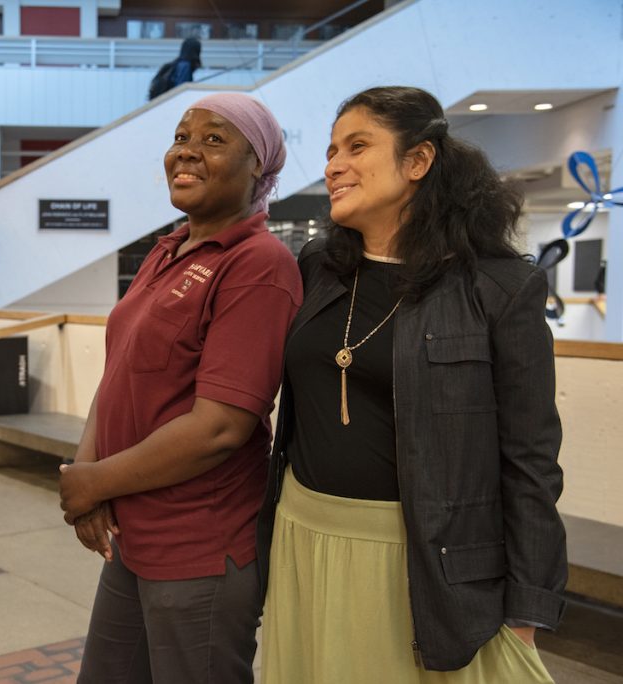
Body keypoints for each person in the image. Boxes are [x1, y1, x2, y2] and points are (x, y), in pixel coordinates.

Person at [257, 86, 566, 683]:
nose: (333, 165)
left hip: (423, 560)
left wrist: (528, 610)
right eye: (330, 150)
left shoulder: (498, 287)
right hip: (303, 534)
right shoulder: (319, 266)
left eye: (357, 146)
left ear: (418, 161)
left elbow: (530, 460)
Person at [59, 92, 302, 683]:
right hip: (132, 534)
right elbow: (118, 376)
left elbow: (219, 427)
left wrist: (93, 480)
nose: (186, 152)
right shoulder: (167, 250)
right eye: (181, 137)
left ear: (259, 169)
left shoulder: (258, 264)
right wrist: (87, 474)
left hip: (197, 548)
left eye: (215, 140)